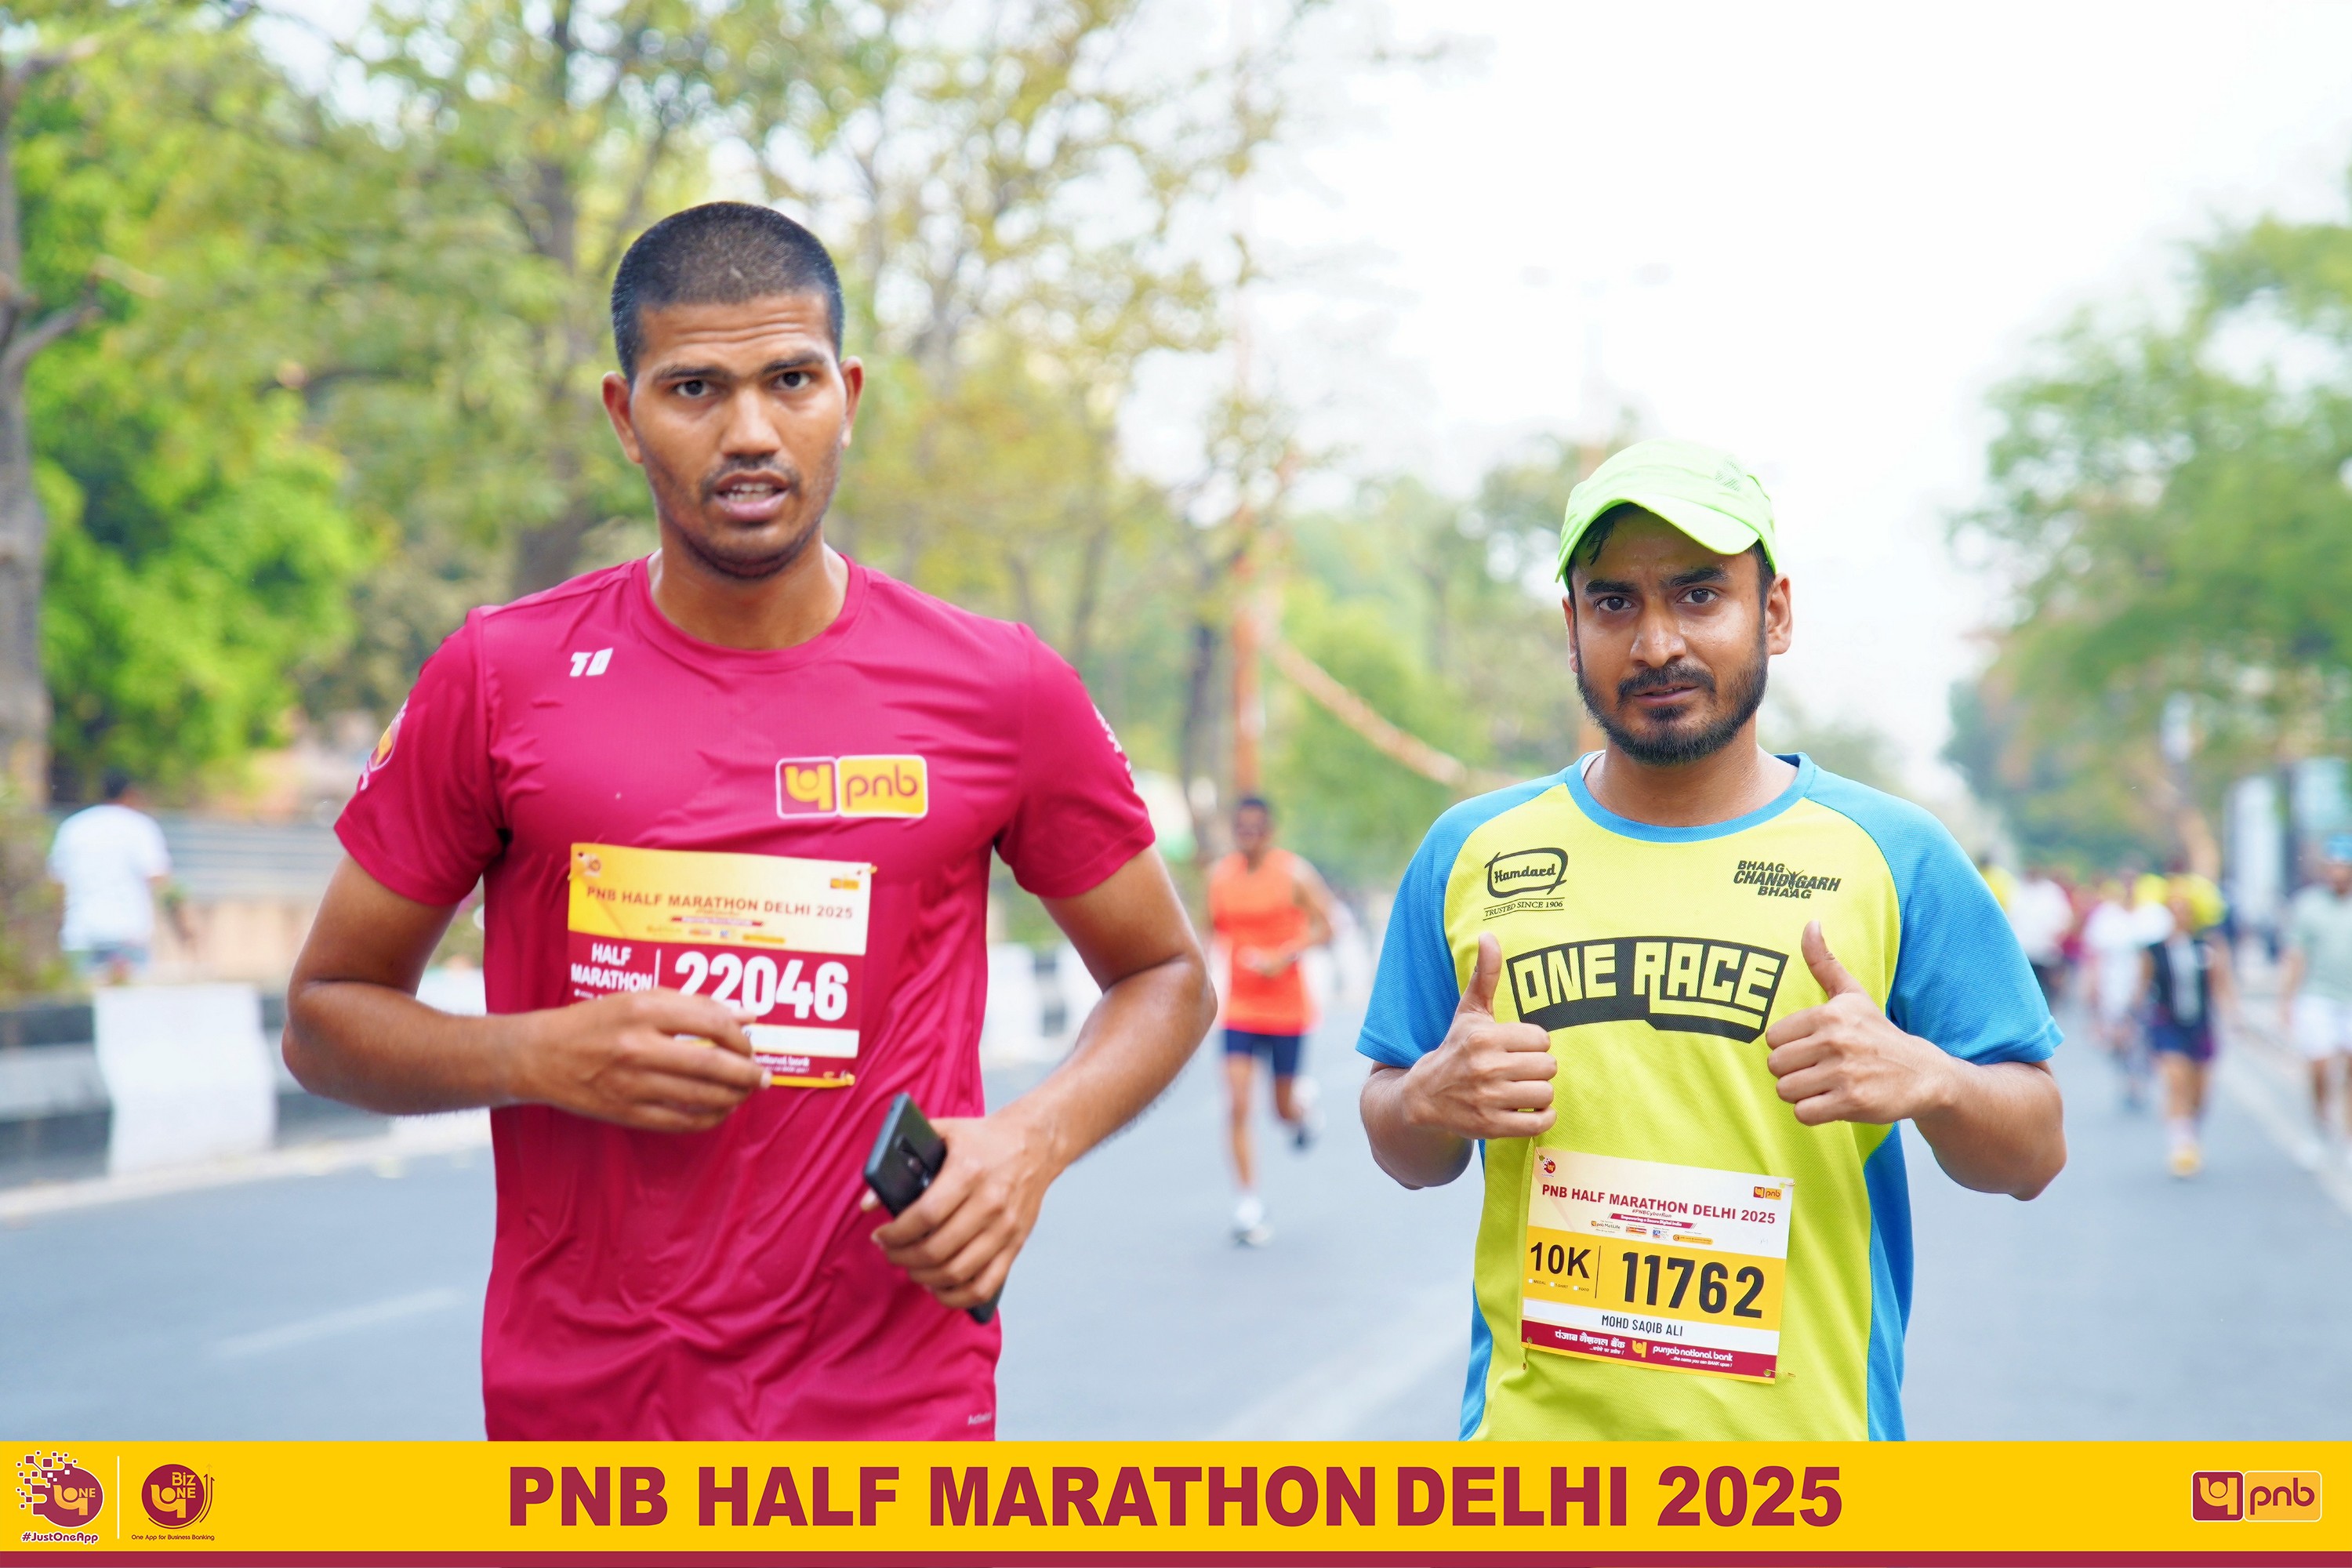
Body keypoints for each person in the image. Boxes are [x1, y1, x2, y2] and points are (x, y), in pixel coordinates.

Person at [281, 202, 1217, 1440]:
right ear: (625, 416)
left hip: (895, 1419)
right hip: (586, 1421)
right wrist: (534, 1057)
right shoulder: (502, 676)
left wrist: (1030, 1144)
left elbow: (1165, 976)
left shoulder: (999, 687)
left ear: (848, 395)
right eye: (694, 389)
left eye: (791, 380)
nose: (752, 434)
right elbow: (326, 1019)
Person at [1356, 438, 2065, 1442]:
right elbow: (1402, 1143)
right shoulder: (1470, 851)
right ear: (1571, 628)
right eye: (1614, 602)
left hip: (1803, 1485)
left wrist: (1934, 1078)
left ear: (1774, 612)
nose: (1656, 645)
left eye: (1699, 595)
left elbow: (2034, 1151)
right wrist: (1427, 1098)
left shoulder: (1895, 856)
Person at [1207, 794, 1335, 1245]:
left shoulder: (1294, 874)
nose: (1249, 836)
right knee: (1237, 1103)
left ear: (1270, 831)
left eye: (1256, 828)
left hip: (1286, 1010)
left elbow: (1327, 927)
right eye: (1241, 829)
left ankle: (1302, 1112)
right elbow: (1207, 933)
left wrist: (1286, 955)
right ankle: (1248, 1203)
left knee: (1280, 1111)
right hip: (1240, 1009)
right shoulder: (1220, 878)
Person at [47, 769, 172, 985]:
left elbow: (56, 882)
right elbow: (158, 877)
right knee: (127, 1000)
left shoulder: (73, 826)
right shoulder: (140, 826)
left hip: (80, 933)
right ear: (130, 793)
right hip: (128, 933)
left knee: (83, 999)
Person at [2143, 881, 2234, 1178]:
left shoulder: (2205, 946)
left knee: (2200, 1091)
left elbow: (2221, 984)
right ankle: (2180, 1145)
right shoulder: (2154, 950)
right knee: (2176, 1080)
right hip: (2168, 1023)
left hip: (2200, 1024)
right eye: (2174, 909)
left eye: (2185, 909)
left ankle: (2190, 1131)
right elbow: (2143, 987)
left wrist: (2231, 1015)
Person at [2278, 836, 2352, 1142]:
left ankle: (2348, 1135)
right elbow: (2296, 955)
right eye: (2333, 866)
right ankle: (2320, 1117)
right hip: (2318, 995)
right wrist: (2286, 1001)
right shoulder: (2309, 905)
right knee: (2320, 1064)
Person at [2081, 878, 2151, 1107]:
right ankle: (2128, 1078)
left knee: (2144, 1039)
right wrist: (2092, 990)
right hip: (2114, 990)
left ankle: (2138, 1080)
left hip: (2148, 991)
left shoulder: (2153, 916)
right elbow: (2094, 958)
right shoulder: (2106, 918)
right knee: (2120, 1040)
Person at [2007, 865, 2074, 1007]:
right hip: (2024, 952)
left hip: (2046, 953)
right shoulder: (2018, 890)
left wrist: (2055, 938)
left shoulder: (2052, 893)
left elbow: (2065, 919)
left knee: (2046, 993)